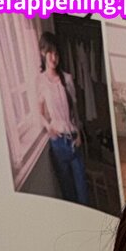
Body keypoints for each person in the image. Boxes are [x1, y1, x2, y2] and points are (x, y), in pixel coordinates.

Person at [36, 32, 89, 206]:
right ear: (43, 52)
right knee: (68, 192)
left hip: (73, 139)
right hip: (58, 143)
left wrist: (79, 133)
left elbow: (75, 109)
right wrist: (48, 127)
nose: (54, 57)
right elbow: (39, 112)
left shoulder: (67, 78)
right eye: (50, 52)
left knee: (82, 190)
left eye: (56, 53)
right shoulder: (41, 81)